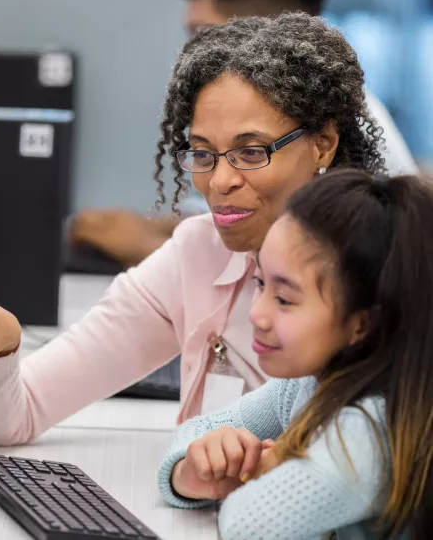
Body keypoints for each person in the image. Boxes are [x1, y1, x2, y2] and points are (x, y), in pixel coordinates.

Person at [0, 13, 385, 446]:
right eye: (203, 153)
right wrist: (1, 349)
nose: (220, 180)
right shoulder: (199, 254)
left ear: (323, 143)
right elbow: (10, 420)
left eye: (251, 152)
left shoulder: (380, 280)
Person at [70, 0, 417, 268]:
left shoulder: (348, 127)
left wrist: (142, 246)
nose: (194, 53)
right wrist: (156, 227)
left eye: (203, 34)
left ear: (258, 36)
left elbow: (315, 276)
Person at [159, 169, 433, 539]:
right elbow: (196, 430)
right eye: (260, 283)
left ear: (362, 324)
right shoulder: (306, 384)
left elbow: (247, 526)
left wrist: (259, 470)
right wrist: (190, 472)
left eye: (285, 299)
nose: (256, 313)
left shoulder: (368, 431)